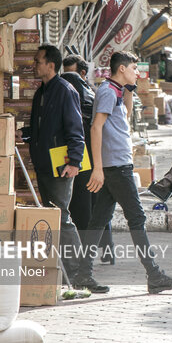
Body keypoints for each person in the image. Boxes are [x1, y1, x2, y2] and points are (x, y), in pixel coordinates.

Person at [76, 51, 172, 294]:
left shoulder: (116, 90)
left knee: (97, 221)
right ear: (122, 69)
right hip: (115, 168)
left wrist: (130, 89)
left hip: (115, 165)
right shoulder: (107, 90)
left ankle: (82, 274)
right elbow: (96, 128)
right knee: (137, 218)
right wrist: (98, 168)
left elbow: (124, 115)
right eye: (134, 68)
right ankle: (154, 274)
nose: (137, 72)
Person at [17, 44, 85, 279]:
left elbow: (76, 130)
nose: (34, 65)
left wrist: (75, 162)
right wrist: (24, 134)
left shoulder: (66, 90)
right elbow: (41, 127)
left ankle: (79, 273)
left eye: (38, 61)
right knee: (51, 216)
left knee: (62, 217)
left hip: (61, 166)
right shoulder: (41, 92)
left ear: (51, 65)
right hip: (43, 164)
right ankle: (61, 271)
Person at [61, 55, 115, 265]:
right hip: (94, 160)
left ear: (82, 73)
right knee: (98, 207)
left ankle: (86, 256)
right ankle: (106, 250)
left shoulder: (78, 96)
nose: (66, 78)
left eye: (70, 74)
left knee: (85, 207)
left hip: (84, 161)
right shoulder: (93, 94)